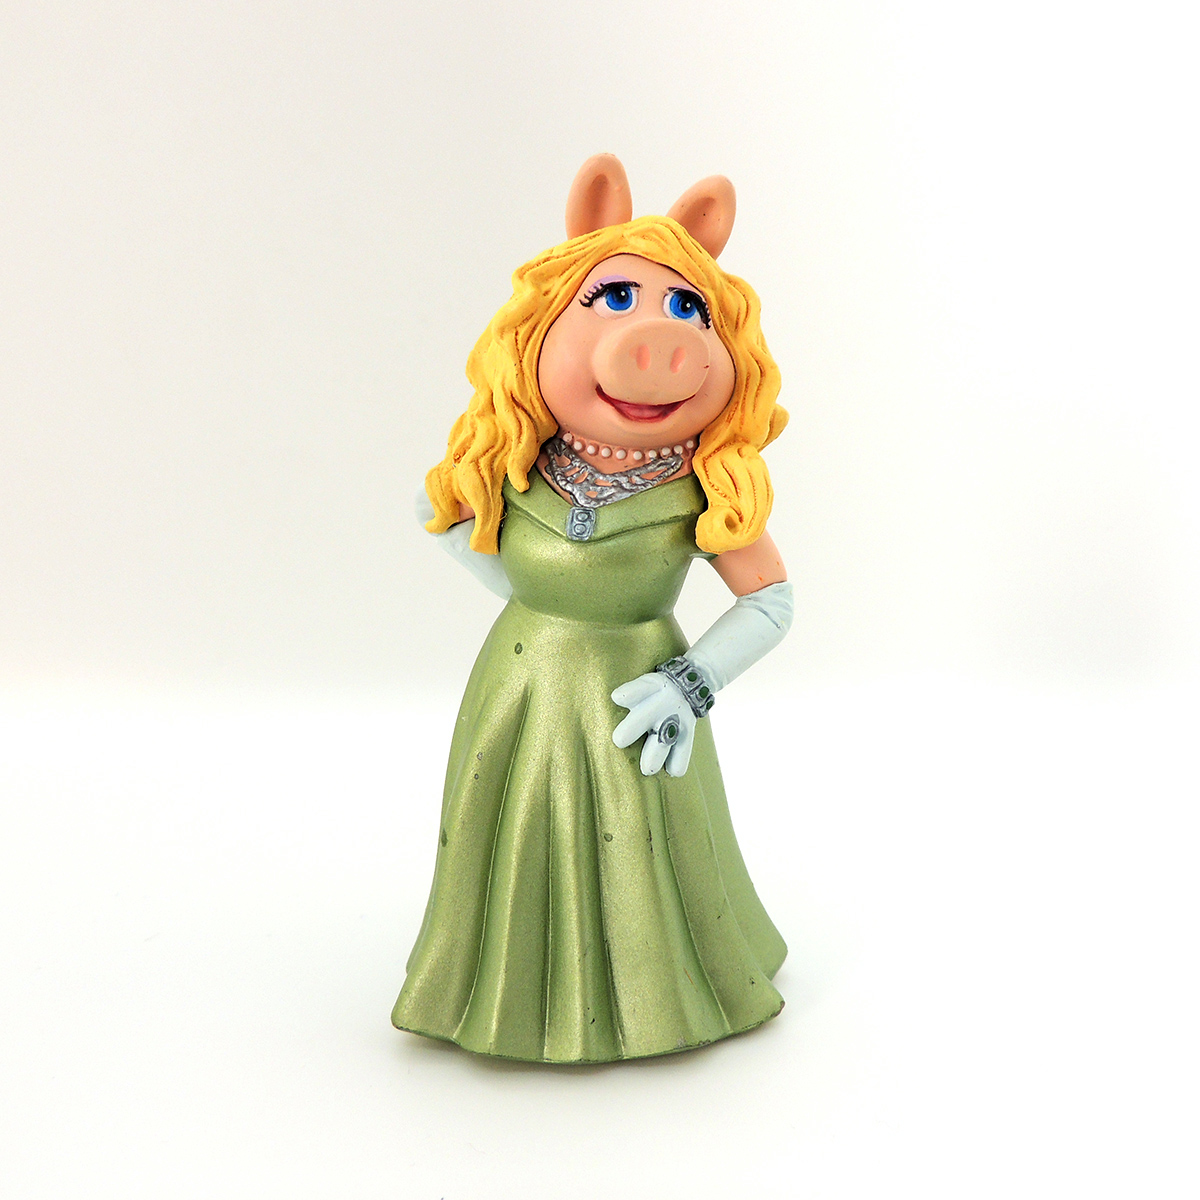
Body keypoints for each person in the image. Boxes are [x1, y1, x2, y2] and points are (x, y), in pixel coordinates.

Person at [392, 155, 794, 1063]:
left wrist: (691, 683)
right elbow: (490, 554)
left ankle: (665, 991)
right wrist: (468, 538)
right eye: (613, 299)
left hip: (636, 694)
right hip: (520, 685)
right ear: (539, 331)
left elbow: (771, 600)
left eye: (687, 309)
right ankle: (496, 987)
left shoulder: (702, 490)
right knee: (506, 833)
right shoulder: (519, 468)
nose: (658, 336)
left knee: (645, 842)